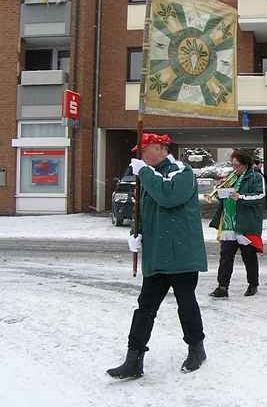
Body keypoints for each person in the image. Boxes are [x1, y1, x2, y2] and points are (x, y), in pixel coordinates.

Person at [107, 133, 208, 379]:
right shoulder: (148, 176)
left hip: (181, 254)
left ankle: (196, 348)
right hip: (156, 254)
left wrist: (144, 174)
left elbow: (169, 197)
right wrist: (136, 233)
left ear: (161, 149)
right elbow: (143, 211)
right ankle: (134, 358)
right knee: (145, 308)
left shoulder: (181, 172)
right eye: (140, 152)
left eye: (145, 150)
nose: (141, 156)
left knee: (186, 304)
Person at [209, 150, 265, 297]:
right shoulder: (231, 177)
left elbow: (260, 197)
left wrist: (241, 197)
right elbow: (224, 199)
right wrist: (220, 191)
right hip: (228, 223)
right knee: (226, 256)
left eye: (238, 166)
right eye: (233, 165)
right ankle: (222, 286)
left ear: (246, 164)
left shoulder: (256, 177)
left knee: (249, 256)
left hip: (245, 223)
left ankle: (253, 284)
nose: (235, 169)